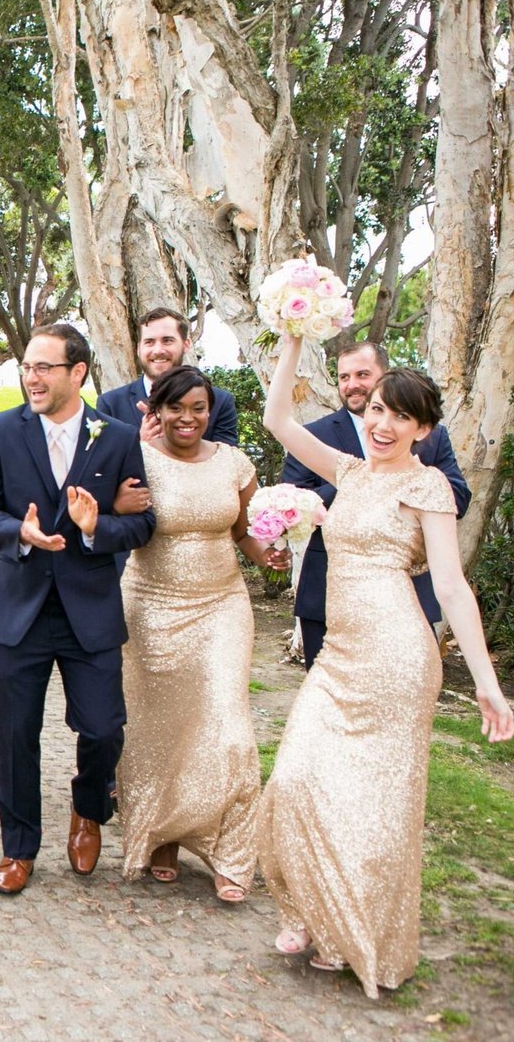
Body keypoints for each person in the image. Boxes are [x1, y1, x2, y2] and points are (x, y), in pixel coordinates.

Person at [259, 330, 513, 996]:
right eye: (375, 408)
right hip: (338, 656)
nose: (382, 422)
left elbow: (452, 587)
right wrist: (291, 336)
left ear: (423, 429)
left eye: (400, 414)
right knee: (294, 780)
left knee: (375, 805)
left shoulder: (429, 487)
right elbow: (277, 419)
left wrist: (487, 682)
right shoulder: (346, 470)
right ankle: (314, 911)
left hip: (399, 657)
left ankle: (351, 934)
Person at [0, 323, 155, 895]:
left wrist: (98, 529)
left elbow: (144, 521)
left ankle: (88, 807)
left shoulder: (117, 436)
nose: (32, 377)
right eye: (27, 367)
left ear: (78, 373)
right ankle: (18, 848)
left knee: (103, 727)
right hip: (18, 608)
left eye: (45, 367)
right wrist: (18, 533)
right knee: (15, 734)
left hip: (90, 608)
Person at [112, 366, 287, 902]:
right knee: (159, 727)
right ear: (156, 410)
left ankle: (233, 853)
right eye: (176, 408)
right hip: (151, 606)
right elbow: (113, 522)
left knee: (228, 724)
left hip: (222, 605)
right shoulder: (134, 460)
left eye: (198, 408)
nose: (188, 418)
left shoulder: (234, 462)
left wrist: (269, 555)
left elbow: (244, 531)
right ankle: (164, 836)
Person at [282, 341, 469, 668]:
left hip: (406, 601)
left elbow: (458, 496)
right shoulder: (318, 436)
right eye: (343, 377)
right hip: (325, 595)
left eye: (362, 374)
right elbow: (295, 497)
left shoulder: (432, 438)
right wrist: (361, 484)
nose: (352, 384)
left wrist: (407, 487)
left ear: (385, 376)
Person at [95, 307, 238, 446]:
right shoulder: (111, 404)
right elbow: (102, 465)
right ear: (138, 349)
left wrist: (181, 438)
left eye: (167, 340)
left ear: (186, 344)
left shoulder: (220, 402)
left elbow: (228, 463)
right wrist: (140, 444)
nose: (158, 350)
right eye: (149, 342)